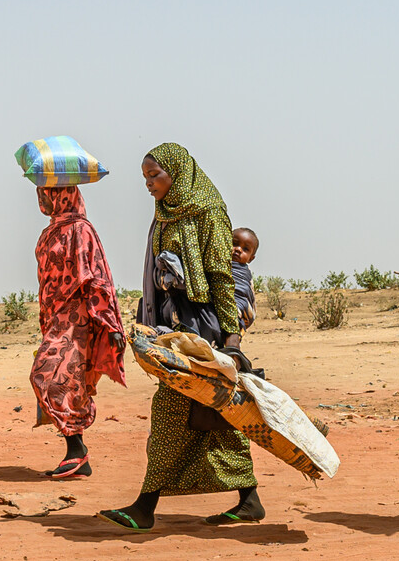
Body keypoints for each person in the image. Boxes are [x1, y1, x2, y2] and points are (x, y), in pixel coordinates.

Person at [99, 143, 258, 532]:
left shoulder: (207, 212)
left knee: (171, 412)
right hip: (172, 324)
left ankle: (144, 507)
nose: (150, 184)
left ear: (178, 173)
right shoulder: (165, 214)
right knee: (214, 415)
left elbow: (220, 275)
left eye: (155, 176)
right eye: (145, 178)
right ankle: (249, 499)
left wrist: (232, 341)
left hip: (200, 328)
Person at [30, 186, 128, 479]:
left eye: (46, 194)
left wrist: (108, 321)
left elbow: (97, 276)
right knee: (67, 381)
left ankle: (77, 451)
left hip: (78, 318)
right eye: (40, 194)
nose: (42, 200)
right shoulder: (50, 231)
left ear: (62, 195)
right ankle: (76, 455)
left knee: (46, 376)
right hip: (56, 318)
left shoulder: (81, 230)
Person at [231, 227, 260, 333]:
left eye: (245, 249)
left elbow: (244, 293)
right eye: (234, 244)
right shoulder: (215, 265)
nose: (238, 249)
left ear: (251, 258)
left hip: (237, 313)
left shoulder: (244, 274)